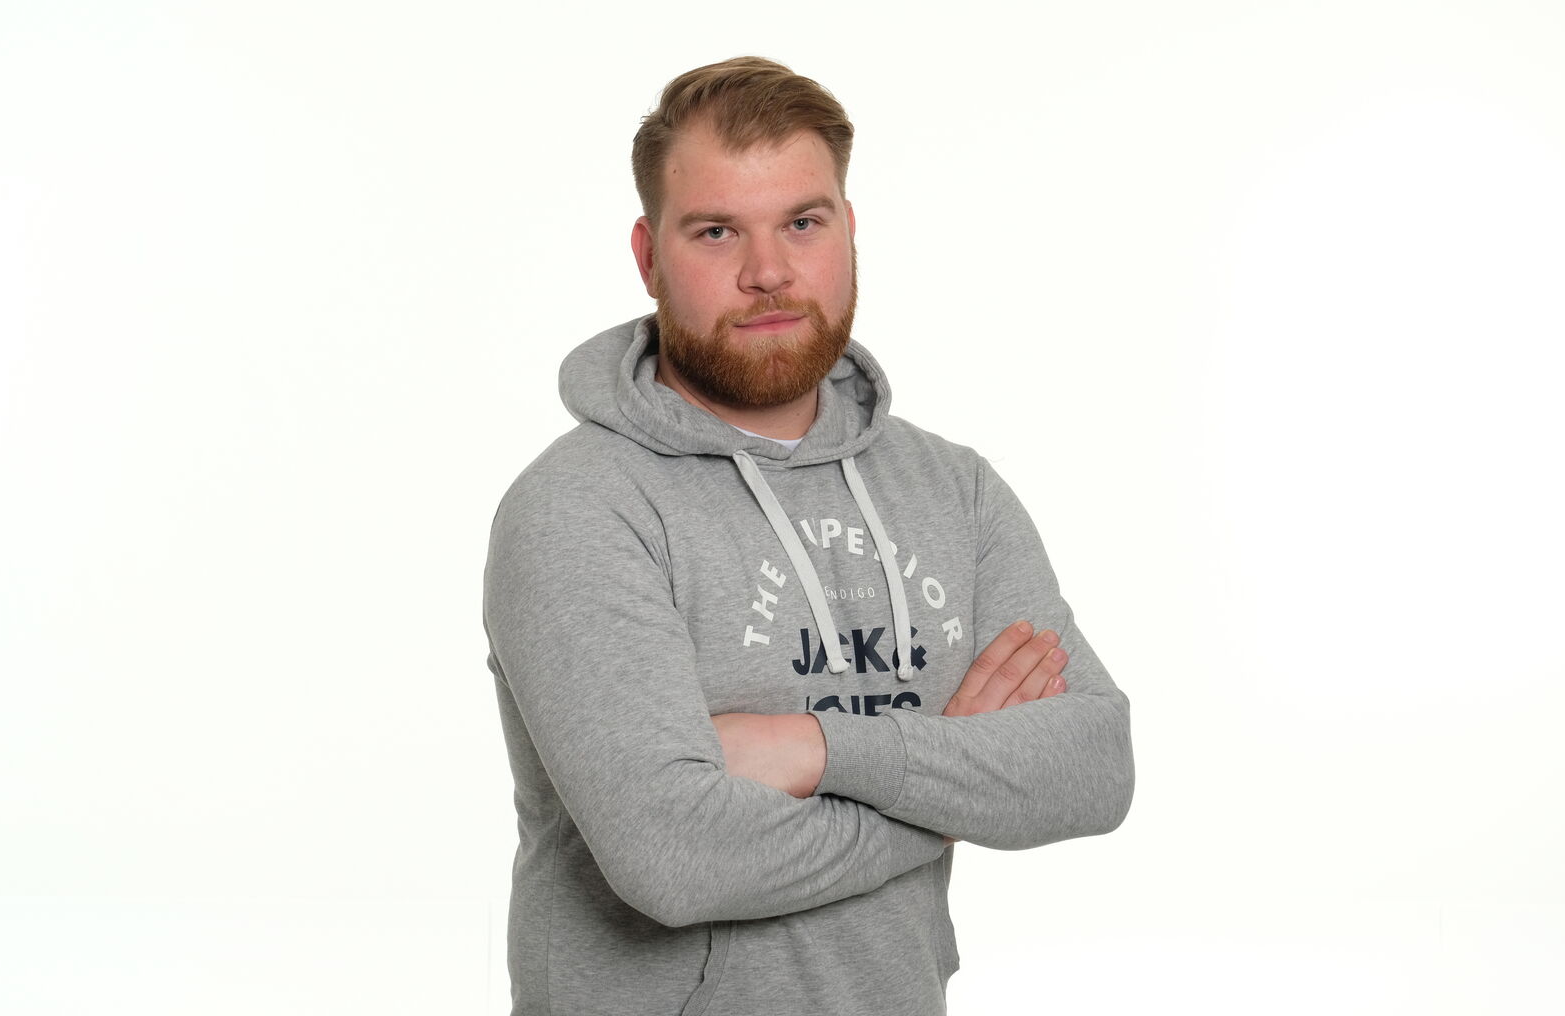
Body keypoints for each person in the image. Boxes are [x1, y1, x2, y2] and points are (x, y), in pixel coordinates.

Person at [482, 56, 1134, 1016]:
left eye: (803, 222)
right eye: (716, 231)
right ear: (649, 256)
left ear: (848, 230)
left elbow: (1094, 766)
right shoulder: (582, 507)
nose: (769, 272)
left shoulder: (952, 491)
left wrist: (816, 749)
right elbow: (676, 857)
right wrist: (949, 787)